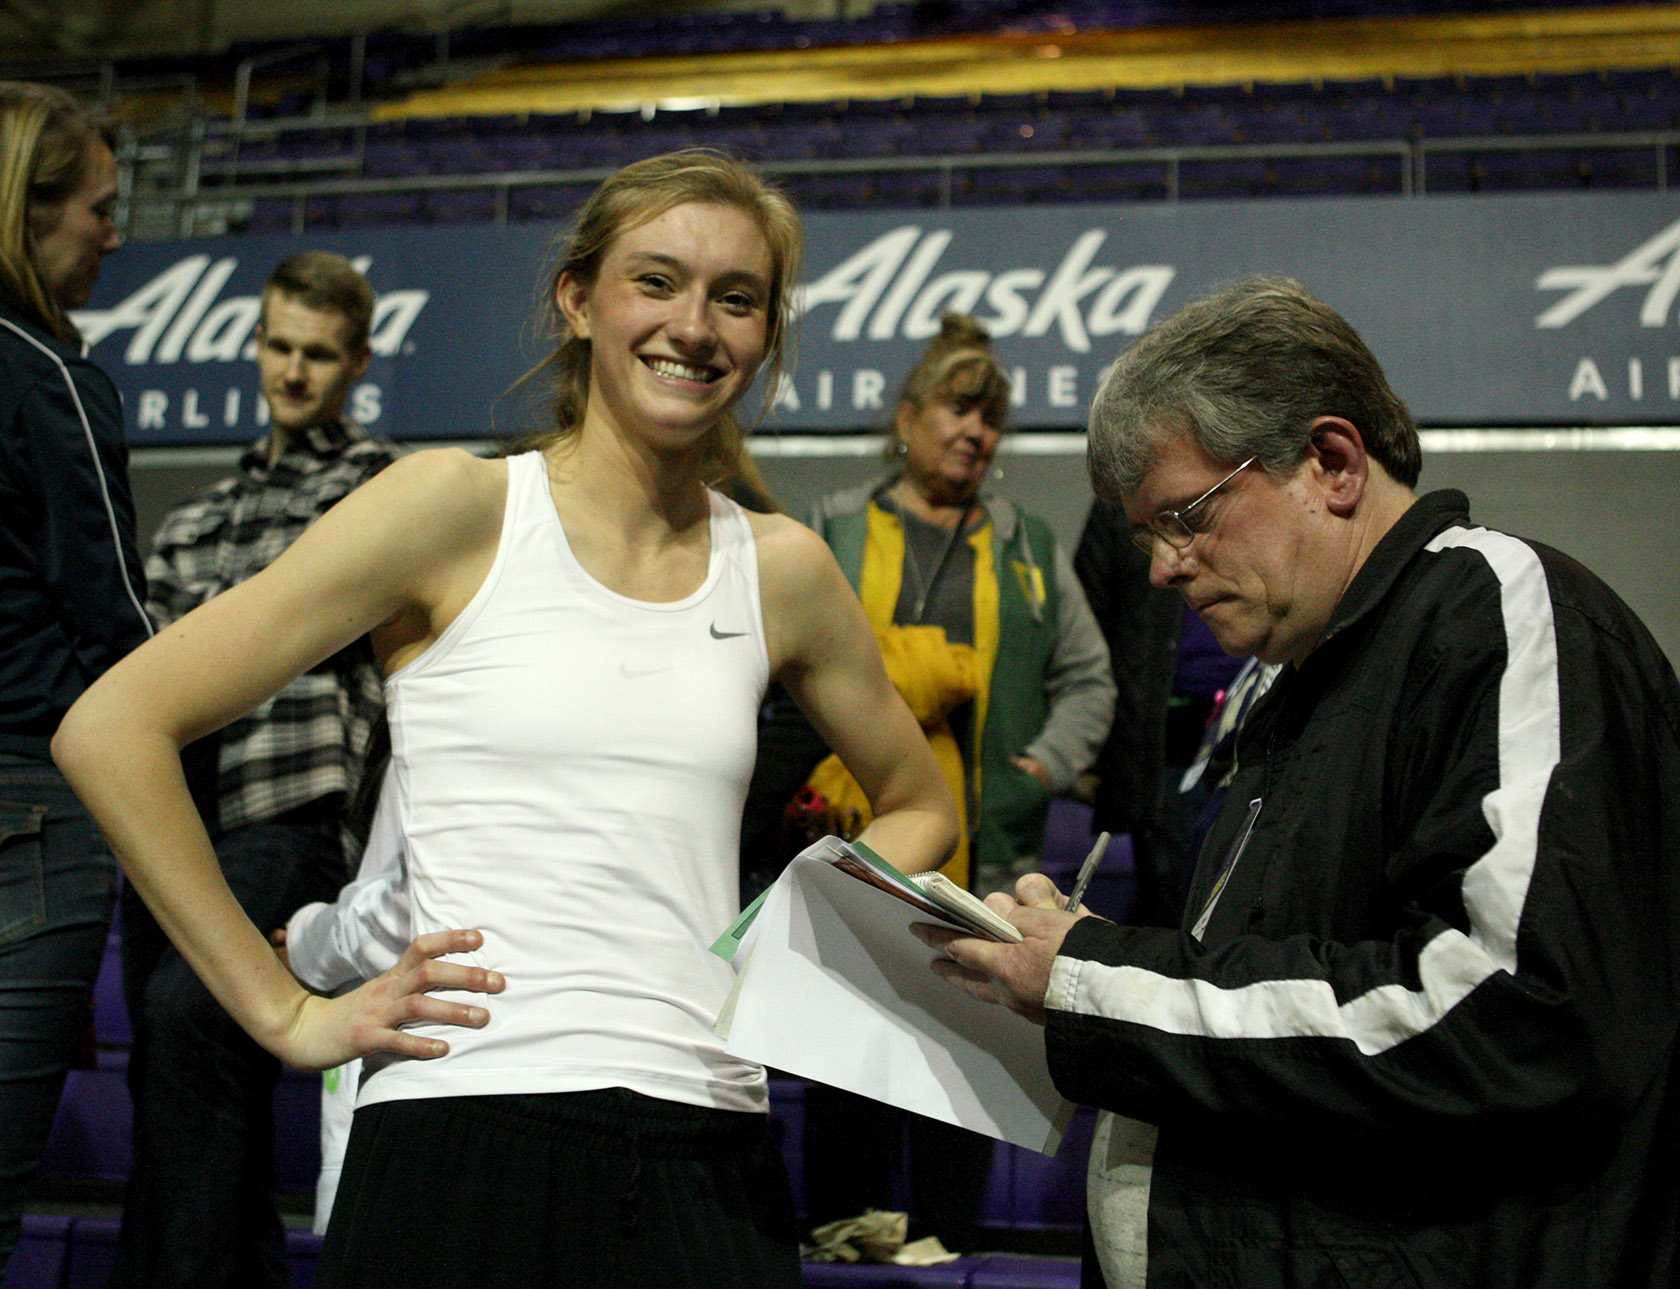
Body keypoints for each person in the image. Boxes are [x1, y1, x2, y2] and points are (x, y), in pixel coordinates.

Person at [54, 149, 958, 1289]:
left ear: (768, 333)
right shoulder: (454, 508)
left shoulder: (783, 567)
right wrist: (283, 1011)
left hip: (708, 1144)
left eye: (737, 297)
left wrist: (777, 946)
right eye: (658, 281)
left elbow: (922, 801)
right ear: (578, 300)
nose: (696, 325)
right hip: (457, 1135)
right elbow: (114, 727)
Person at [915, 276, 1680, 1288]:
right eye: (1148, 532)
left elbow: (1506, 1014)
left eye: (1185, 517)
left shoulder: (1495, 611)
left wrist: (1094, 975)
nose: (1163, 569)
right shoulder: (1305, 675)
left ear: (1330, 461)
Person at [110, 249, 404, 1289]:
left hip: (296, 802)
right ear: (256, 345)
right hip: (183, 810)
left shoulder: (378, 486)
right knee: (174, 1051)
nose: (293, 369)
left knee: (191, 1014)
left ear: (358, 361)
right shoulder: (196, 517)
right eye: (279, 345)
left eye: (318, 353)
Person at [801, 313, 1113, 1252]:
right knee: (841, 1042)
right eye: (958, 408)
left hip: (988, 852)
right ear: (907, 417)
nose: (976, 431)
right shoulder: (833, 529)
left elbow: (1091, 678)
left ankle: (947, 1240)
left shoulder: (1028, 544)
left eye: (992, 417)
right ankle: (836, 1232)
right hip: (856, 846)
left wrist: (1043, 767)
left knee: (961, 1049)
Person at [0, 80, 146, 1276]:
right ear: (24, 210)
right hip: (29, 809)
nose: (114, 232)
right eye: (97, 208)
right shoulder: (42, 372)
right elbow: (117, 624)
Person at [1073, 503, 1243, 927]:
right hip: (1165, 738)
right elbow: (1084, 635)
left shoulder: (1252, 482)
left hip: (1260, 718)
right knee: (1178, 899)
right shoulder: (1126, 500)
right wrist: (1088, 754)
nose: (1164, 567)